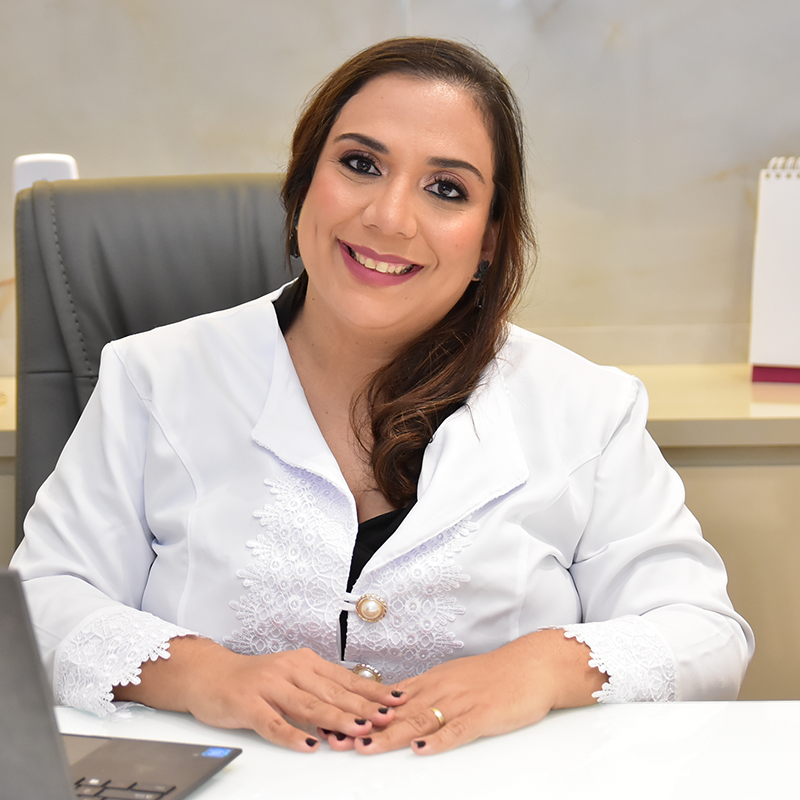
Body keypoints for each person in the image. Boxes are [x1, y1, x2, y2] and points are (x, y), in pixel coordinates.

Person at [11, 37, 753, 756]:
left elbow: (706, 636)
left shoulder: (587, 408)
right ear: (303, 183)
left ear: (488, 240)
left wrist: (541, 668)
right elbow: (40, 600)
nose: (390, 218)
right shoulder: (153, 375)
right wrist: (207, 675)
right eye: (361, 164)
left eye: (447, 189)